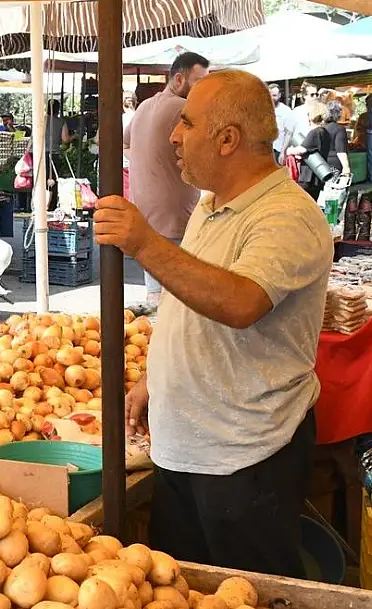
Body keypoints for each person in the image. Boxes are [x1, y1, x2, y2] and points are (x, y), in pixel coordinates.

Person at [95, 69, 332, 578]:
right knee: (182, 586)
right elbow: (191, 298)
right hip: (184, 447)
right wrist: (153, 378)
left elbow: (240, 302)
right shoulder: (211, 204)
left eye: (187, 123)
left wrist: (143, 242)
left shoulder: (287, 216)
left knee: (243, 590)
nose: (172, 136)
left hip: (244, 456)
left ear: (228, 139)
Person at [122, 52, 209, 306]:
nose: (202, 89)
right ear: (179, 79)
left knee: (155, 288)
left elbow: (124, 143)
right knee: (179, 289)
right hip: (175, 210)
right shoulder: (184, 109)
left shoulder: (145, 106)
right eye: (199, 82)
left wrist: (146, 161)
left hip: (146, 208)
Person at [285, 101, 332, 200]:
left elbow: (301, 149)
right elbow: (312, 150)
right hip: (318, 177)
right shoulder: (325, 133)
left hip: (308, 177)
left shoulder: (315, 133)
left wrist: (289, 151)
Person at [323, 100, 351, 177]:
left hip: (322, 163)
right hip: (335, 164)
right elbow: (340, 150)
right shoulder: (339, 129)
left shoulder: (321, 127)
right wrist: (346, 168)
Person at [269, 84, 294, 164]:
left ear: (279, 95)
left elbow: (289, 133)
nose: (271, 98)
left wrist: (283, 152)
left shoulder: (286, 111)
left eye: (274, 95)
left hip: (278, 150)